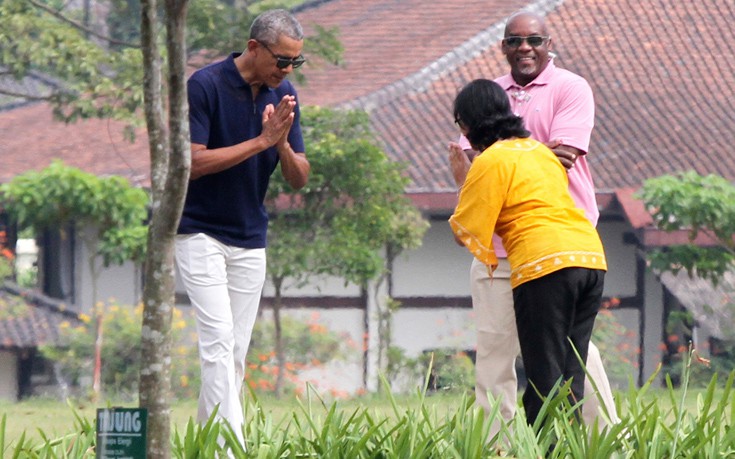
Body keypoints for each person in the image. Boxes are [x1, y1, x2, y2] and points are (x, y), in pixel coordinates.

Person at [449, 10, 619, 430]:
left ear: (549, 43)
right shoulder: (491, 92)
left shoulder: (570, 87)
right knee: (497, 349)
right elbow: (540, 154)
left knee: (559, 362)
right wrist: (519, 154)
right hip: (517, 248)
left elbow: (563, 156)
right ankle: (498, 443)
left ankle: (601, 437)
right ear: (503, 46)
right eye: (514, 40)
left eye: (534, 40)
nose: (524, 47)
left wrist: (490, 167)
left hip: (544, 249)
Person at [175, 9, 310, 446]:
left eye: (295, 63)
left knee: (232, 355)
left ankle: (206, 446)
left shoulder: (284, 94)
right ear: (254, 48)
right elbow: (192, 163)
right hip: (199, 233)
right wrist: (260, 142)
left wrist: (284, 144)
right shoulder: (206, 85)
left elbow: (300, 177)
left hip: (251, 238)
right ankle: (232, 451)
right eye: (282, 60)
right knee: (216, 345)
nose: (287, 70)